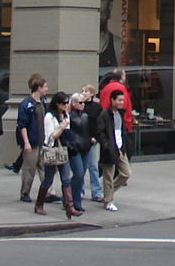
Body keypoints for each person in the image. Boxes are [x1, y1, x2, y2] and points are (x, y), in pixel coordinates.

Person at [36, 91, 79, 218]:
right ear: (57, 104)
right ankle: (39, 204)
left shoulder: (66, 115)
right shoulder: (49, 117)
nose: (67, 105)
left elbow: (67, 133)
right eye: (64, 103)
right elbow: (51, 136)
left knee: (66, 178)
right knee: (48, 179)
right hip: (52, 150)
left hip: (63, 149)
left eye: (68, 103)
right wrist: (62, 127)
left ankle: (69, 207)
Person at [97, 86, 131, 211]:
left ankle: (108, 193)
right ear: (112, 100)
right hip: (110, 148)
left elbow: (122, 130)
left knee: (126, 173)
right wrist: (106, 145)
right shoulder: (104, 115)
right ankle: (108, 201)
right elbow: (100, 132)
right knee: (108, 175)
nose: (121, 103)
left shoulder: (120, 114)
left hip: (120, 147)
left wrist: (126, 144)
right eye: (119, 100)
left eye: (122, 100)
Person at [17, 74, 49, 203]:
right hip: (32, 140)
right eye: (45, 86)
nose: (47, 89)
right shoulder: (27, 104)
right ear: (38, 88)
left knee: (44, 167)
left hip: (42, 140)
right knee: (29, 169)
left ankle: (47, 191)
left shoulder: (43, 102)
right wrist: (26, 142)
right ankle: (25, 192)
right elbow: (22, 125)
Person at [64, 86, 95, 216]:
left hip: (86, 147)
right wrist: (72, 144)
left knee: (81, 175)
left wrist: (92, 139)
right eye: (80, 102)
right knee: (78, 173)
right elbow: (68, 131)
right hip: (75, 148)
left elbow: (90, 129)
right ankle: (73, 200)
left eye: (83, 102)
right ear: (74, 104)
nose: (83, 105)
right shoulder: (70, 116)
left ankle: (70, 197)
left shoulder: (87, 116)